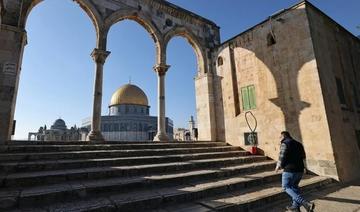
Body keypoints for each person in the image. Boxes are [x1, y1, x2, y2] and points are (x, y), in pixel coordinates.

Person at [275, 131, 315, 212]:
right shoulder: (299, 144)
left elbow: (282, 155)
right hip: (300, 169)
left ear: (283, 136)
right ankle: (295, 207)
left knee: (286, 187)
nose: (279, 139)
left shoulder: (285, 143)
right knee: (294, 187)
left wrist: (278, 166)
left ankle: (306, 203)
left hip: (290, 170)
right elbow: (303, 156)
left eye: (280, 137)